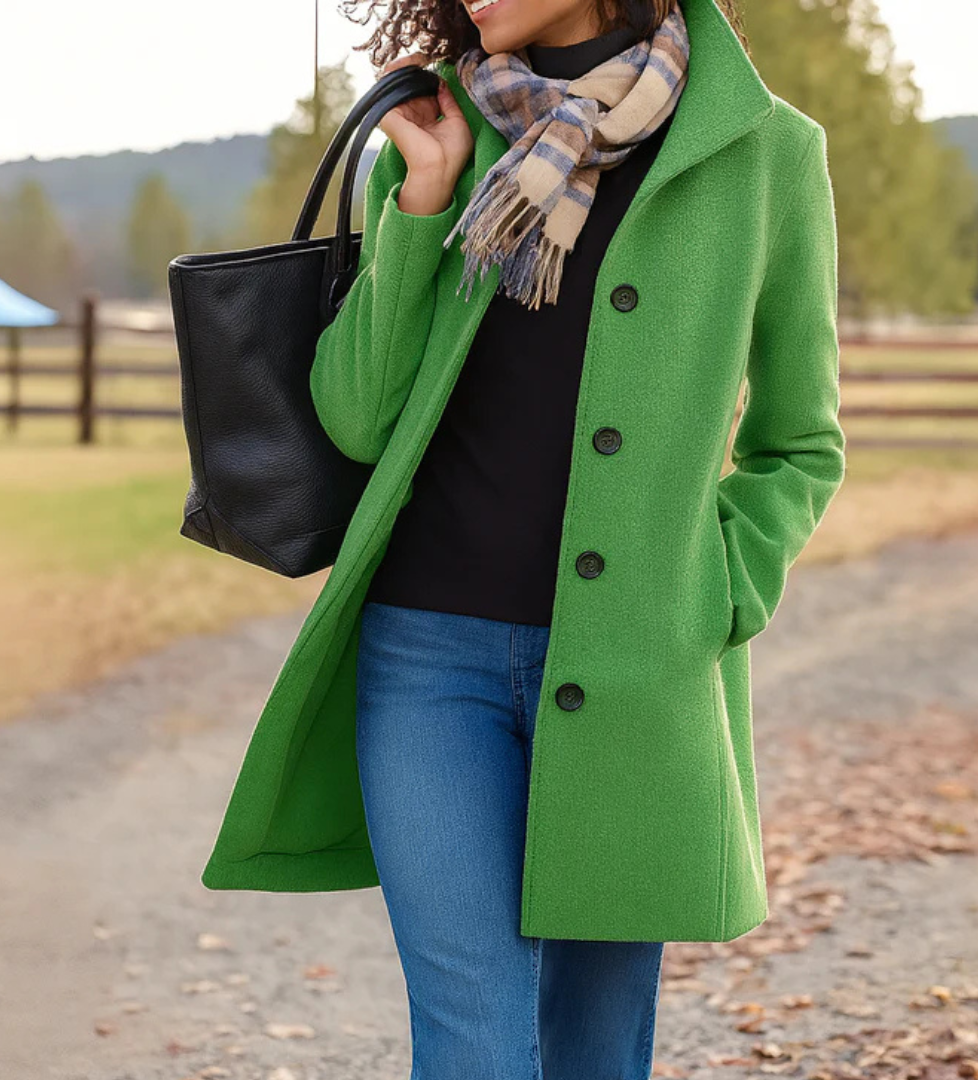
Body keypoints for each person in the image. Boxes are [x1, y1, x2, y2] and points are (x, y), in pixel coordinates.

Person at [212, 0, 845, 1076]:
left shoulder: (764, 154)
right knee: (475, 1044)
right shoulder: (445, 136)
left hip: (638, 673)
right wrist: (419, 203)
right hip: (427, 664)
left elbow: (800, 444)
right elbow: (357, 417)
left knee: (594, 1051)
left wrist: (718, 591)